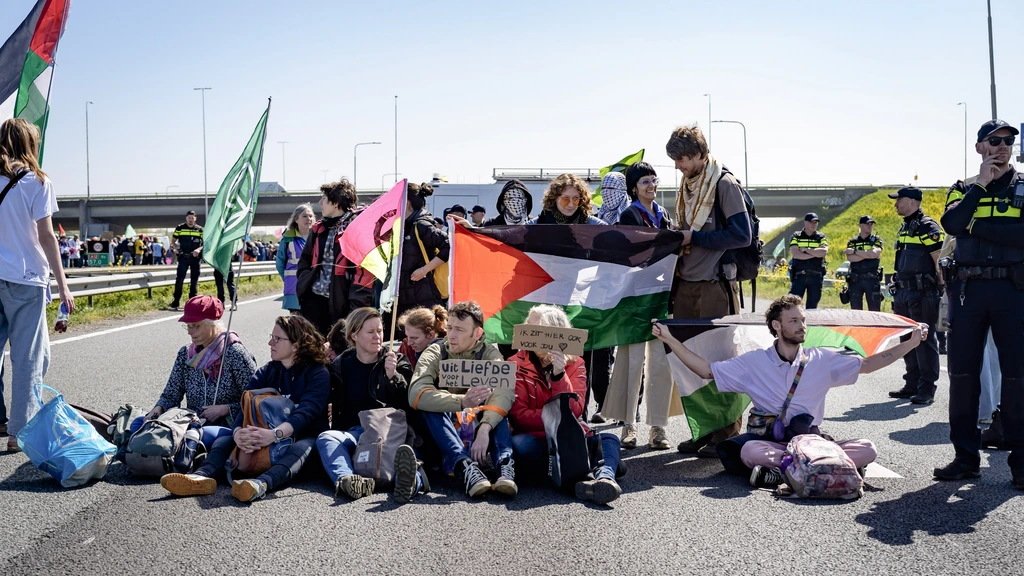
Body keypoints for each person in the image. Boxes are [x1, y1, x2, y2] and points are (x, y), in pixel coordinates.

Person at [654, 294, 926, 488]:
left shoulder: (822, 359)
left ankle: (789, 471)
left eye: (803, 320)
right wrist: (669, 339)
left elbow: (867, 365)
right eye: (794, 320)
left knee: (868, 448)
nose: (801, 325)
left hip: (810, 441)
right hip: (772, 442)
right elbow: (705, 370)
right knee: (749, 451)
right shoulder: (754, 362)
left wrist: (911, 345)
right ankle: (819, 467)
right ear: (777, 325)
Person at [160, 315, 331, 502]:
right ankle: (201, 476)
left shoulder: (318, 373)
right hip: (264, 436)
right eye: (271, 337)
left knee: (304, 446)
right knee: (225, 438)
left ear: (296, 345)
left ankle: (261, 484)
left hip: (299, 437)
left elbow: (306, 413)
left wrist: (274, 435)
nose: (269, 343)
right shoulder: (267, 371)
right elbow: (245, 404)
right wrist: (239, 433)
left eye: (277, 339)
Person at [938, 119, 1024, 487]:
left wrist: (975, 226)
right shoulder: (963, 189)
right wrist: (981, 187)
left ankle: (1021, 466)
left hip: (1013, 293)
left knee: (1019, 380)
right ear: (979, 148)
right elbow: (952, 223)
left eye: (1008, 141)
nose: (1003, 147)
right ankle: (965, 458)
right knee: (962, 378)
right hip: (968, 293)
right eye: (995, 141)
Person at [666, 125, 753, 457]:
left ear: (700, 155)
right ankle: (704, 430)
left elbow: (741, 235)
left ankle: (727, 434)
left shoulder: (724, 184)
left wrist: (694, 238)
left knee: (720, 361)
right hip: (687, 284)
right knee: (690, 362)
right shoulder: (690, 185)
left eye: (682, 159)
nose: (678, 166)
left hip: (715, 285)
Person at [0, 119, 74, 451]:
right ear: (31, 143)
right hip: (25, 279)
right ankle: (19, 431)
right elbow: (47, 237)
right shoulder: (37, 181)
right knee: (28, 358)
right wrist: (63, 284)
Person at [508, 305, 624, 504]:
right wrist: (557, 420)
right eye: (528, 326)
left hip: (571, 438)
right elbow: (519, 416)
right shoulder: (514, 363)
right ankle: (587, 474)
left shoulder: (576, 362)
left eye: (536, 327)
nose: (529, 330)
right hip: (539, 439)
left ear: (555, 332)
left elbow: (576, 410)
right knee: (521, 446)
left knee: (609, 439)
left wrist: (559, 375)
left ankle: (605, 478)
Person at [316, 308, 431, 503]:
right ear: (354, 334)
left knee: (406, 459)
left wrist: (393, 378)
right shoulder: (340, 364)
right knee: (326, 438)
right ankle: (347, 480)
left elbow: (411, 403)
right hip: (356, 434)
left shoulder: (397, 361)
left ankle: (410, 483)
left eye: (380, 331)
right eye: (371, 332)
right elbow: (321, 398)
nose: (377, 336)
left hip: (391, 433)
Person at [603, 162, 680, 449]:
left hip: (661, 297)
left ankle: (658, 427)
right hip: (636, 298)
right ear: (634, 188)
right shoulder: (629, 214)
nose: (651, 185)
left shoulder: (664, 214)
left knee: (661, 363)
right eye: (644, 181)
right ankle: (628, 425)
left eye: (653, 179)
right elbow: (631, 254)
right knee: (630, 361)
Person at [407, 301, 516, 498]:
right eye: (449, 328)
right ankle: (465, 467)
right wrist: (462, 401)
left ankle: (504, 465)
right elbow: (416, 394)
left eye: (459, 329)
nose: (451, 334)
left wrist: (485, 427)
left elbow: (505, 390)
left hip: (478, 424)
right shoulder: (435, 351)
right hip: (446, 425)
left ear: (477, 333)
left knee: (497, 410)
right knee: (431, 407)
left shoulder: (489, 353)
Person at [145, 296, 257, 444]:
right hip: (190, 422)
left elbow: (256, 400)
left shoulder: (235, 353)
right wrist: (157, 409)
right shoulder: (186, 353)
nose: (190, 332)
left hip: (227, 426)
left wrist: (225, 409)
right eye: (188, 326)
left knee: (198, 437)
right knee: (139, 423)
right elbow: (171, 394)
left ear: (213, 324)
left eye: (195, 326)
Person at [886, 186, 943, 406]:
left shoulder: (927, 226)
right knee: (907, 339)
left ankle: (927, 388)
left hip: (922, 292)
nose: (896, 204)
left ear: (912, 201)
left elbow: (939, 259)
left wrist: (942, 288)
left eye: (899, 200)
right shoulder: (905, 227)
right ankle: (912, 383)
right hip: (903, 291)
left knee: (924, 340)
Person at [296, 179, 372, 336]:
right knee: (313, 350)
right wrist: (304, 282)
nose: (320, 202)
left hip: (342, 304)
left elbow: (363, 274)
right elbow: (305, 260)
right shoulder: (318, 228)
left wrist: (356, 309)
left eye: (324, 198)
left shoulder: (356, 229)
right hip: (314, 300)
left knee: (338, 352)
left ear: (336, 203)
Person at [398, 183, 449, 316]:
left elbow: (448, 246)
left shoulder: (421, 224)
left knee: (425, 334)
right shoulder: (405, 224)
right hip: (408, 294)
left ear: (407, 203)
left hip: (424, 293)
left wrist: (424, 270)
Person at [276, 203, 314, 312]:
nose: (309, 219)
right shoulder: (288, 238)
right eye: (305, 216)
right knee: (297, 323)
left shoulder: (317, 236)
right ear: (296, 219)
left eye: (311, 216)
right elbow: (280, 263)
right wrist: (287, 279)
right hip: (293, 287)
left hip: (314, 287)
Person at [528, 173, 605, 225]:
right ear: (554, 198)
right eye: (565, 199)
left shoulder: (596, 226)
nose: (571, 204)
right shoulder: (534, 225)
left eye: (575, 199)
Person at [788, 213, 828, 309]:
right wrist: (815, 254)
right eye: (811, 222)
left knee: (813, 307)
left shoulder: (821, 237)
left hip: (816, 276)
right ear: (805, 223)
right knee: (794, 305)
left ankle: (810, 324)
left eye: (815, 222)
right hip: (799, 276)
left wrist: (806, 250)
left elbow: (823, 252)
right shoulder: (796, 236)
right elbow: (796, 254)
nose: (814, 224)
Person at [844, 216, 884, 311]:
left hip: (872, 280)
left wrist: (854, 251)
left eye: (871, 224)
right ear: (860, 225)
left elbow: (875, 253)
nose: (870, 226)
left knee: (875, 312)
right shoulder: (853, 241)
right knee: (856, 311)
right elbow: (850, 258)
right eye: (867, 224)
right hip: (855, 280)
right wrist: (867, 254)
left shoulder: (877, 240)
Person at [169, 210, 204, 310]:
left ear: (195, 219)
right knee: (179, 280)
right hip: (183, 257)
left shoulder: (200, 229)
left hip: (195, 258)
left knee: (194, 281)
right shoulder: (180, 228)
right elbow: (173, 241)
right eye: (189, 218)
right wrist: (175, 248)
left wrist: (198, 249)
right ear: (186, 218)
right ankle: (176, 302)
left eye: (192, 218)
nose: (190, 220)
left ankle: (192, 304)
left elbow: (205, 243)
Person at [397, 305, 448, 369]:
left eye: (414, 338)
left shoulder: (450, 348)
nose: (409, 343)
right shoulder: (406, 347)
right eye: (408, 336)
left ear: (430, 335)